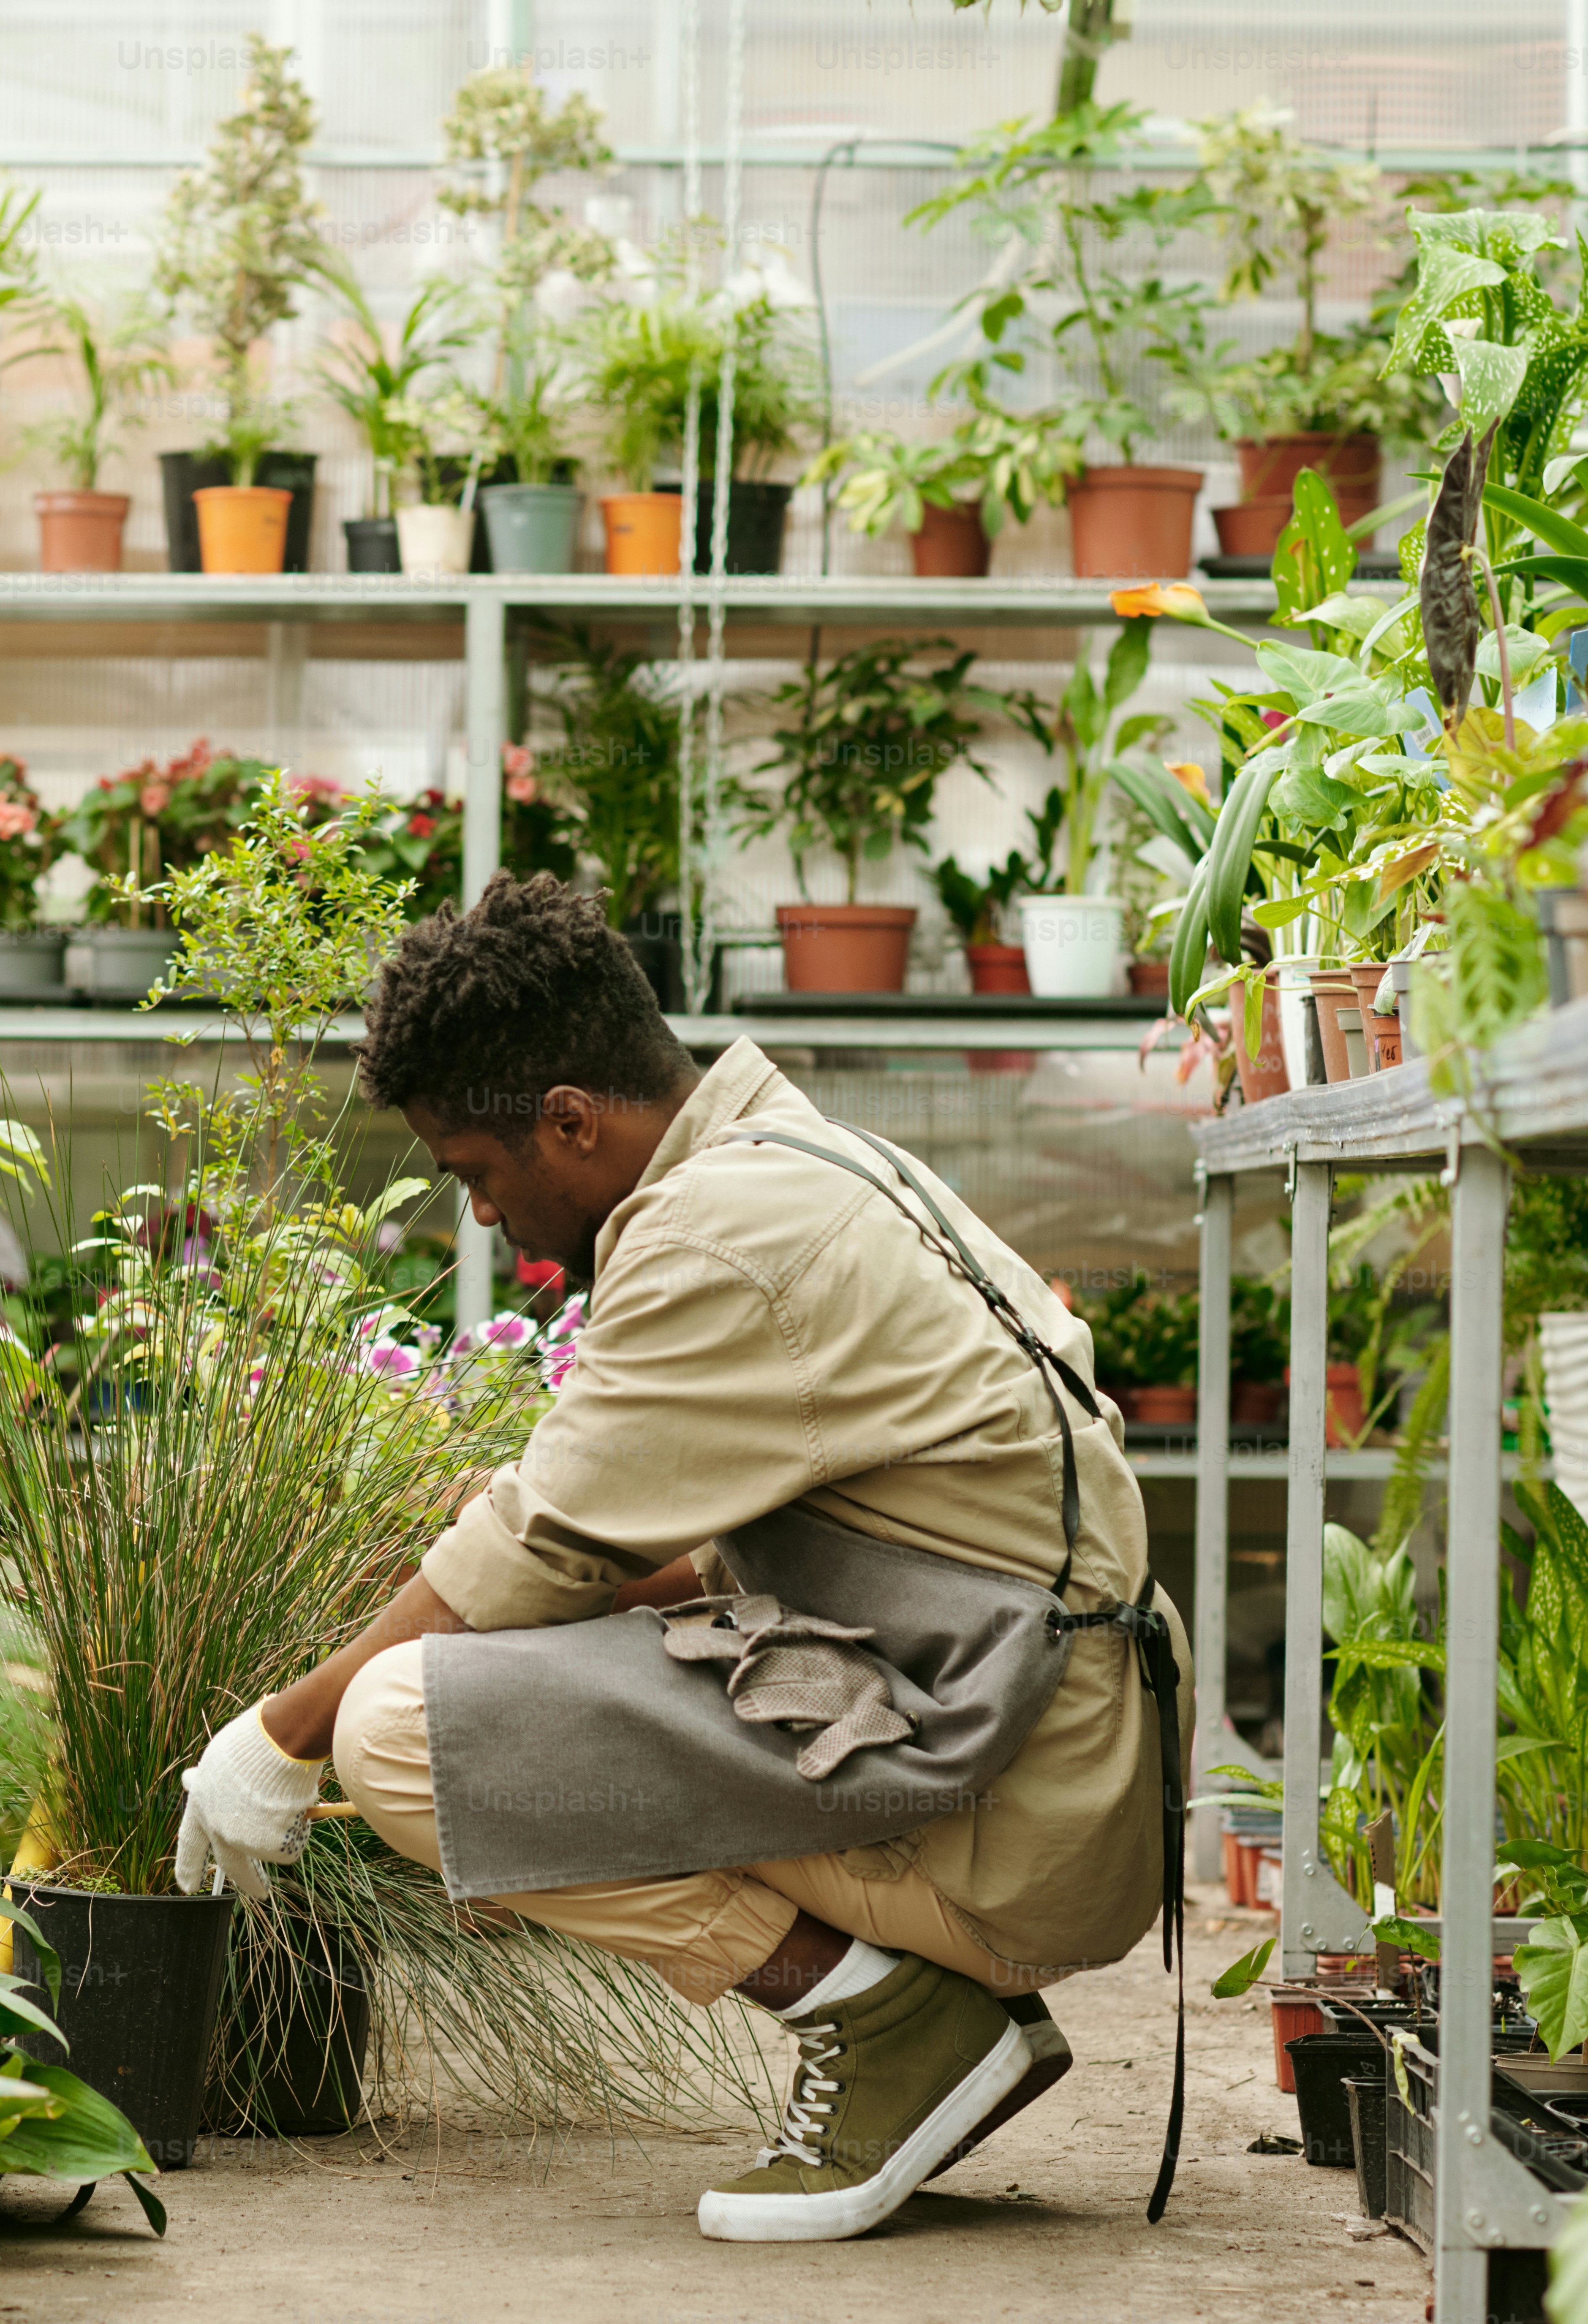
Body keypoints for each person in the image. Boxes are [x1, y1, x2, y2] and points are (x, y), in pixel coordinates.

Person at [173, 873, 1194, 2244]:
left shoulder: (722, 1237)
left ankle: (895, 2023)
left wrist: (279, 1739)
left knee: (405, 1732)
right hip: (1028, 1736)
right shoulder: (799, 1156)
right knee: (481, 1673)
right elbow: (673, 1547)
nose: (481, 1219)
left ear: (571, 1122)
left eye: (475, 1173)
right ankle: (915, 2010)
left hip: (1015, 1812)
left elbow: (545, 1550)